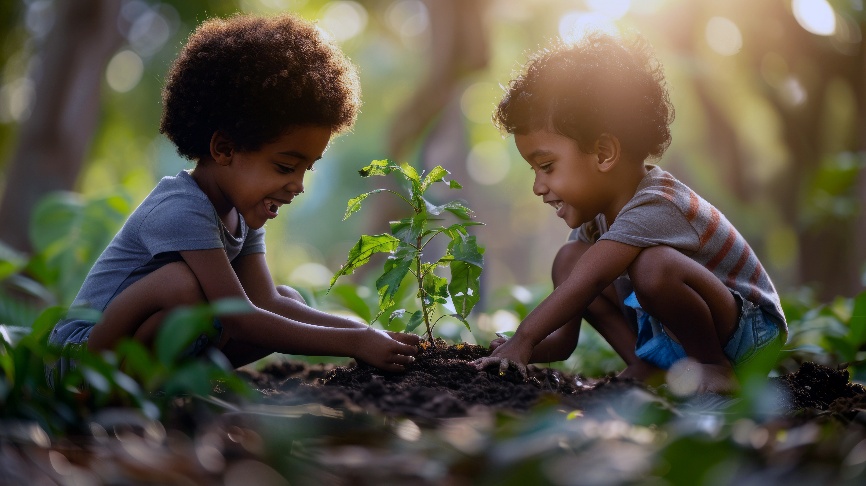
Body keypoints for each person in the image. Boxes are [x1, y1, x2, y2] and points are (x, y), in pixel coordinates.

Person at [47, 13, 418, 382]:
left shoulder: (241, 211)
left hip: (140, 348)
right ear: (224, 148)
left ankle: (170, 388)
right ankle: (98, 394)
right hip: (76, 361)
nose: (299, 185)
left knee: (288, 301)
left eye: (308, 168)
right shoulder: (181, 207)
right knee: (180, 285)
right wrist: (355, 342)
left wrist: (367, 333)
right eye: (285, 166)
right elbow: (240, 317)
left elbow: (266, 303)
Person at [474, 32, 787, 394]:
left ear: (604, 153)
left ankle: (714, 369)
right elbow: (564, 340)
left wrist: (525, 336)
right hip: (684, 335)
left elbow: (588, 282)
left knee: (653, 267)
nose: (538, 187)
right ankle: (647, 367)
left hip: (749, 336)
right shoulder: (597, 220)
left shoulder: (658, 202)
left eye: (546, 166)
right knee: (571, 258)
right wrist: (519, 348)